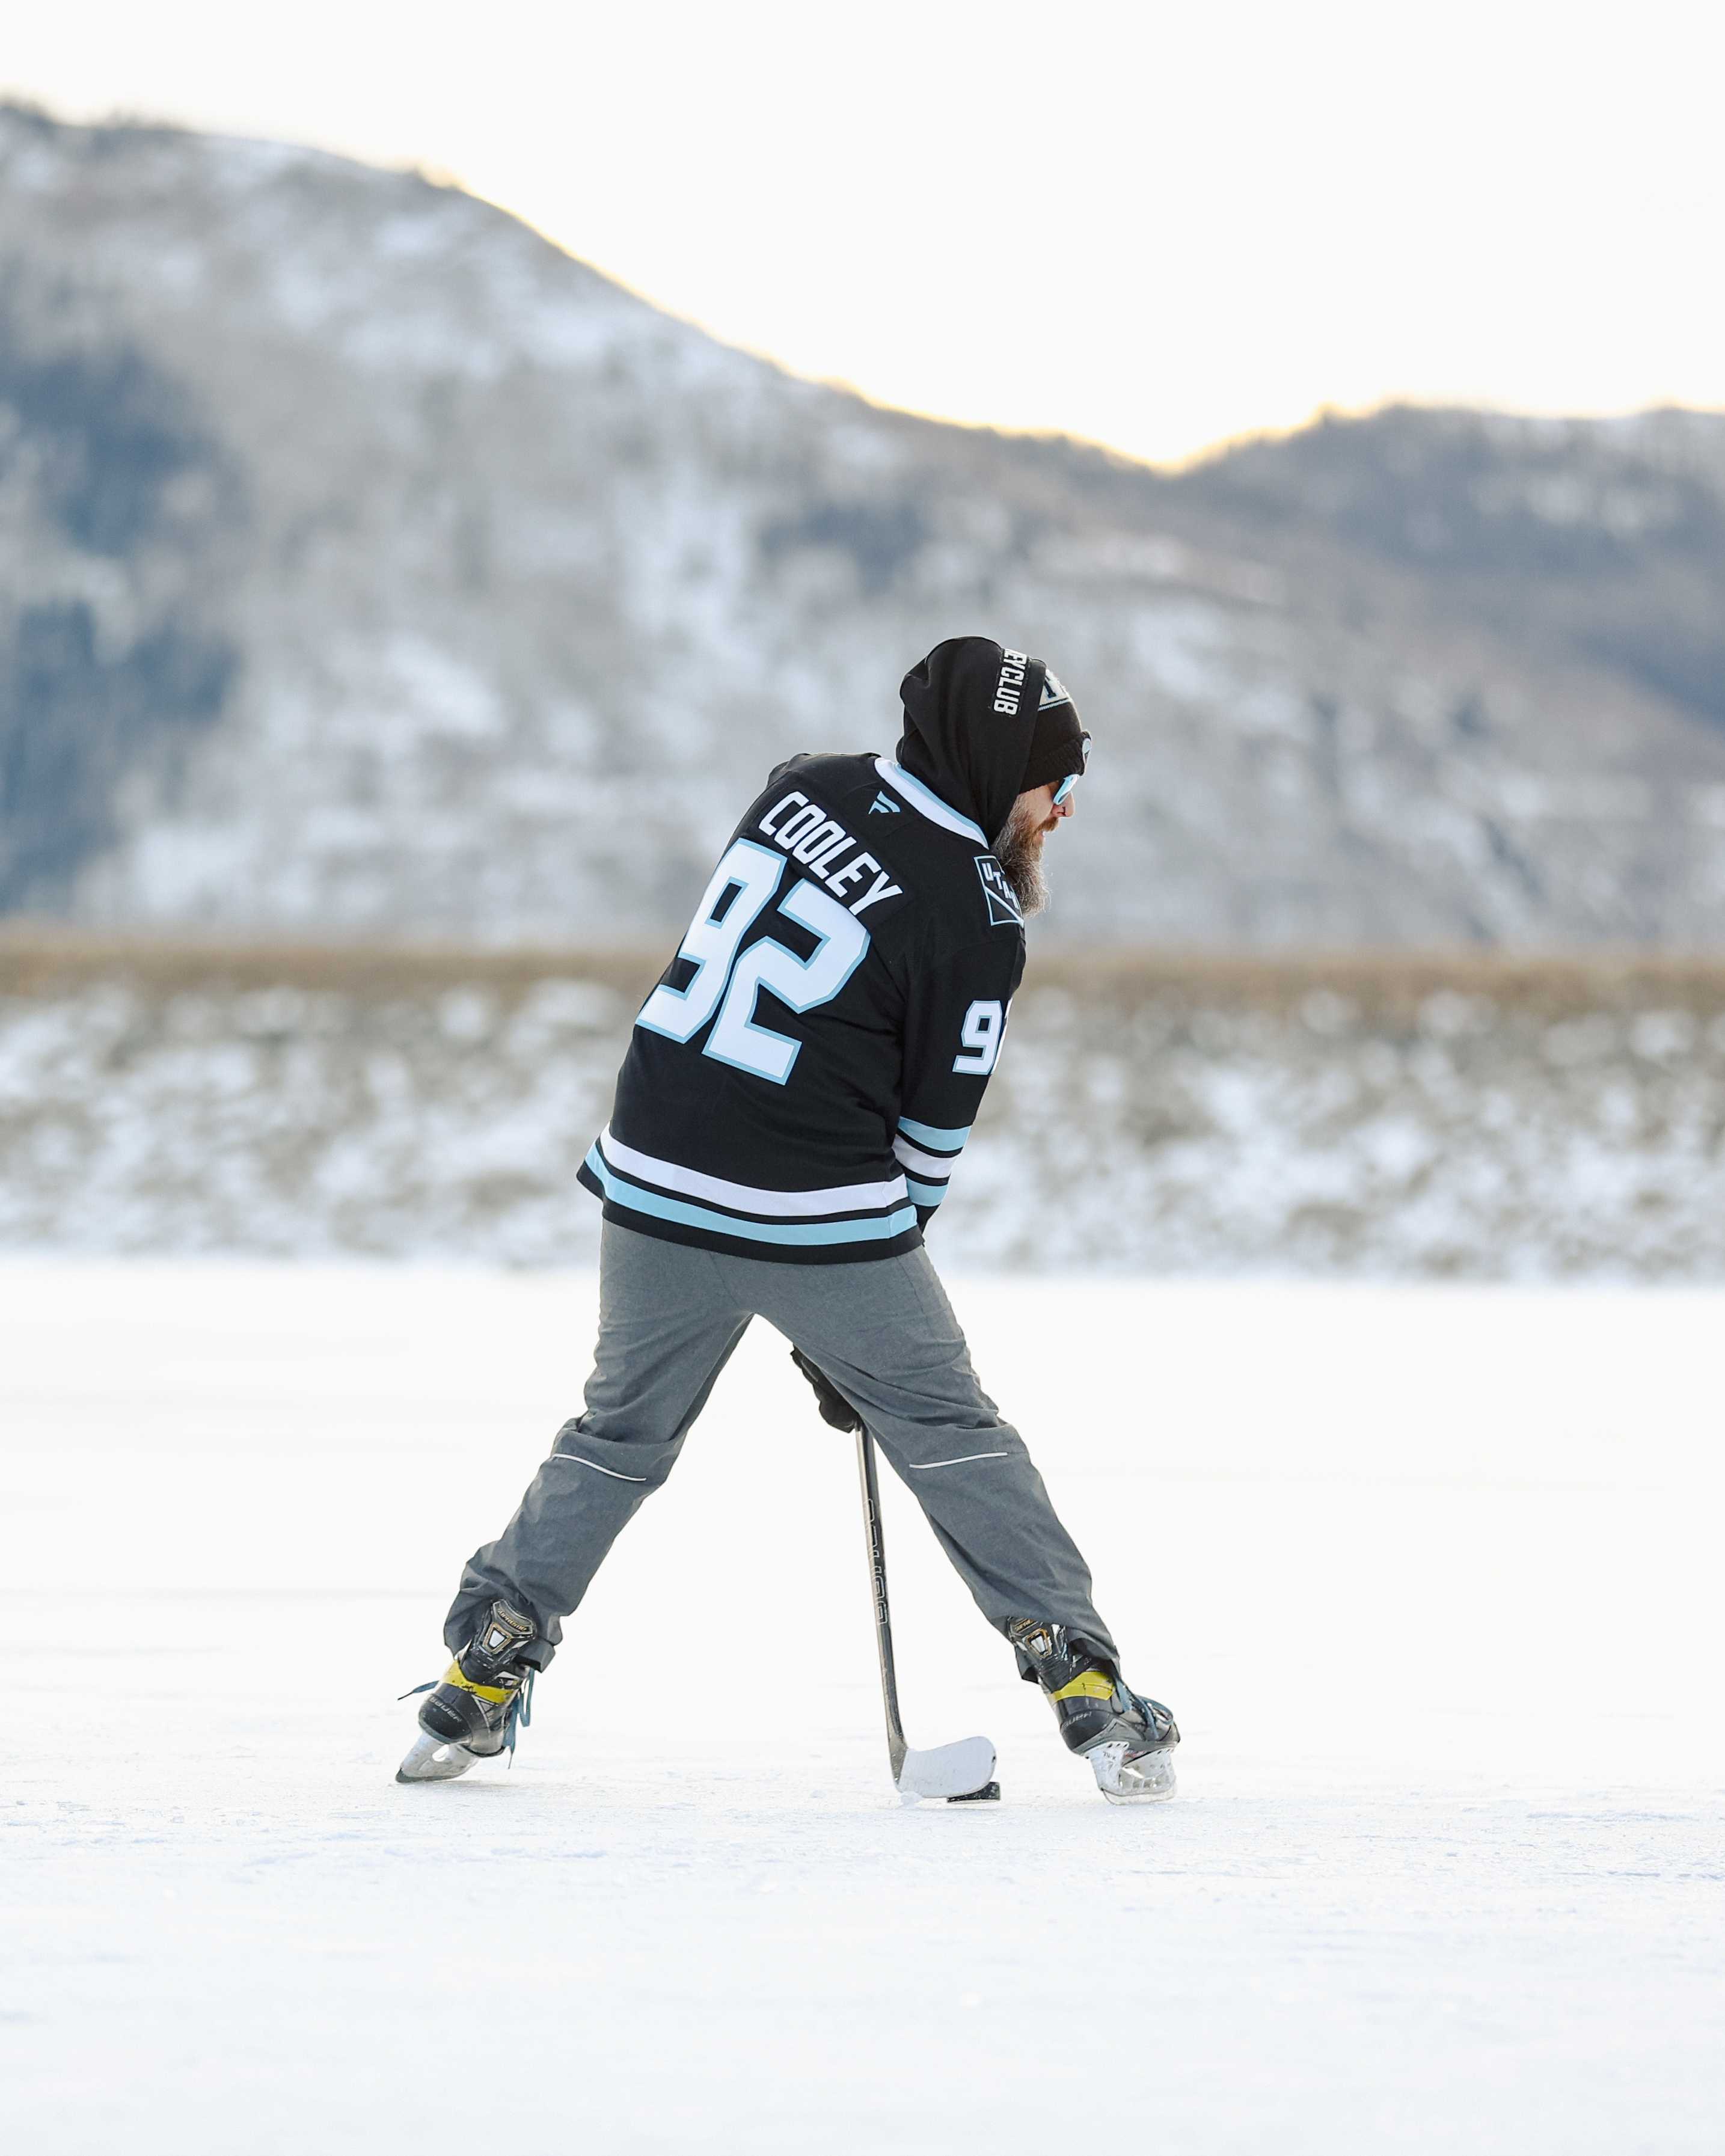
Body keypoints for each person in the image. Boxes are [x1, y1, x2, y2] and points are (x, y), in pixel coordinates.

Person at [397, 635, 1179, 1802]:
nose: (1060, 811)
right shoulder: (976, 916)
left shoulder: (803, 784)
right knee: (948, 1426)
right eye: (1052, 783)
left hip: (653, 1171)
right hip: (815, 1204)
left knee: (616, 1435)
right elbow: (924, 1150)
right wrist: (848, 1330)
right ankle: (1083, 1681)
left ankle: (487, 1664)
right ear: (996, 762)